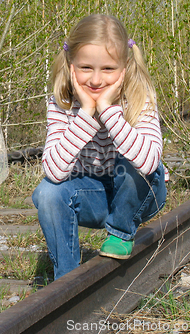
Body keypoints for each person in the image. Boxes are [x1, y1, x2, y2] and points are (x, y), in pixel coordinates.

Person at [32, 14, 167, 280]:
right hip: (93, 197)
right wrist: (85, 115)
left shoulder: (140, 98)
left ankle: (120, 233)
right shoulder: (61, 104)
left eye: (108, 69)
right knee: (47, 193)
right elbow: (55, 172)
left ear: (125, 68)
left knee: (132, 162)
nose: (95, 80)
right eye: (85, 68)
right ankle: (66, 281)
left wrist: (107, 111)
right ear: (70, 65)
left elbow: (149, 164)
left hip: (140, 195)